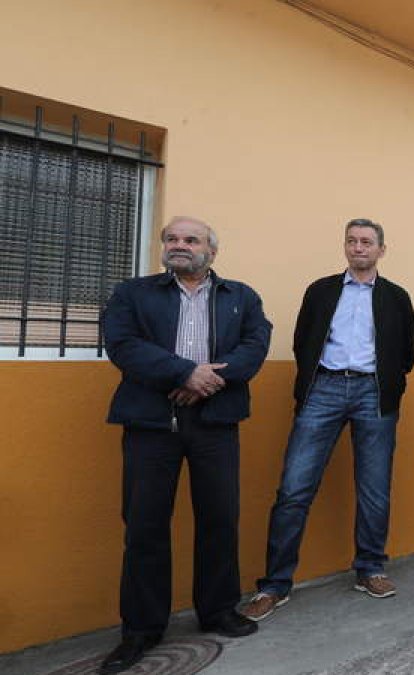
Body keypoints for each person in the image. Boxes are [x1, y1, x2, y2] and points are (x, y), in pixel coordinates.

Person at [99, 217, 271, 674]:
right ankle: (141, 629)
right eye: (172, 238)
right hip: (152, 422)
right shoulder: (132, 294)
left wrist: (209, 380)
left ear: (211, 251)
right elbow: (121, 344)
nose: (179, 245)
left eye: (190, 239)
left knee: (219, 518)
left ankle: (217, 611)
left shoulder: (241, 297)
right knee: (144, 525)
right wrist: (182, 372)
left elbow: (256, 344)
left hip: (216, 421)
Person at [243, 219, 414, 622]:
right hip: (324, 389)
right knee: (294, 488)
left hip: (374, 393)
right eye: (352, 241)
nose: (359, 248)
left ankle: (371, 568)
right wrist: (313, 383)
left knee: (374, 488)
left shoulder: (397, 297)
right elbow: (303, 341)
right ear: (345, 246)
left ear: (381, 250)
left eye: (367, 242)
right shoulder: (320, 291)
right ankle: (274, 585)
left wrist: (389, 384)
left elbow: (406, 352)